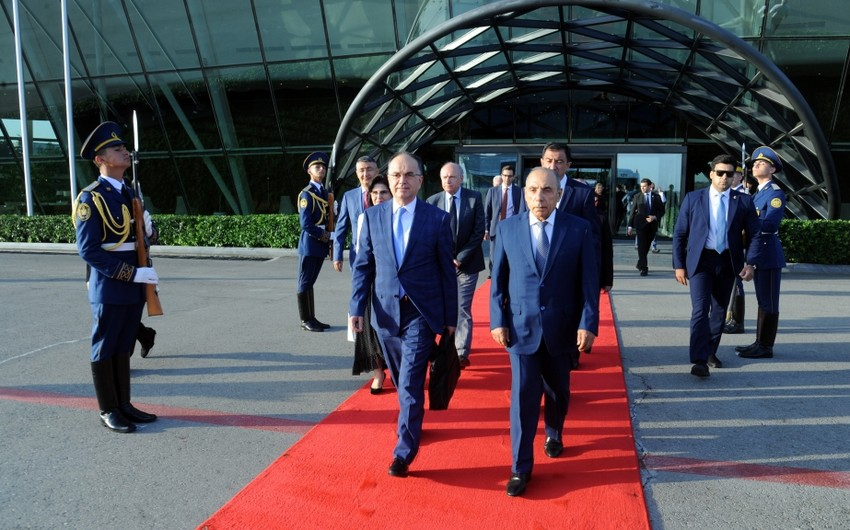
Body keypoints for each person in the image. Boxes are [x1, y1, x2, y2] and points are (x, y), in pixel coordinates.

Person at [490, 167, 599, 497]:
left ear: (559, 194)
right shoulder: (507, 228)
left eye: (548, 190)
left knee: (558, 391)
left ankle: (554, 431)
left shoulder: (578, 229)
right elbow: (498, 281)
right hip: (520, 328)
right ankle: (520, 467)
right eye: (534, 190)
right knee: (523, 397)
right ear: (524, 193)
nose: (540, 197)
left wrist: (587, 323)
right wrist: (497, 320)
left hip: (562, 328)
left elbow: (589, 283)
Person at [349, 151, 458, 478]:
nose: (402, 181)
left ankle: (404, 451)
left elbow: (446, 273)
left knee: (410, 382)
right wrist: (356, 307)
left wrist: (450, 319)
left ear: (420, 181)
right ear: (387, 178)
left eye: (409, 175)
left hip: (419, 313)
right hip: (384, 313)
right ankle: (413, 418)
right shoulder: (372, 217)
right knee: (401, 381)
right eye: (396, 175)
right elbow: (363, 266)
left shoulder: (437, 219)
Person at [73, 121, 159, 433]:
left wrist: (150, 230)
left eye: (124, 147)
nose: (124, 151)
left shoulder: (130, 192)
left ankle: (124, 404)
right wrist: (132, 273)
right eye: (116, 148)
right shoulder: (91, 198)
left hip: (135, 284)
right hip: (111, 284)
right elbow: (89, 250)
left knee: (123, 345)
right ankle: (108, 409)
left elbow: (142, 239)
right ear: (100, 159)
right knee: (105, 346)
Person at [673, 154, 760, 377]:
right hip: (701, 261)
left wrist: (750, 263)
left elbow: (754, 235)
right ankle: (699, 360)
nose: (724, 177)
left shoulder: (744, 201)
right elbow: (680, 234)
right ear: (711, 174)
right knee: (700, 309)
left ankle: (710, 351)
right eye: (720, 173)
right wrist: (679, 265)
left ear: (734, 177)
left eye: (729, 174)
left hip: (727, 262)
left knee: (719, 311)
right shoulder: (694, 198)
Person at [540, 142, 604, 367]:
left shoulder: (582, 193)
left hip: (571, 264)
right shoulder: (531, 189)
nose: (553, 165)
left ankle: (571, 353)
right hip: (540, 262)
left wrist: (592, 269)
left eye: (559, 161)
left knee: (570, 308)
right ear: (541, 162)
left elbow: (594, 235)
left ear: (568, 165)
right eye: (549, 160)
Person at [427, 162, 485, 368]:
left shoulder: (474, 198)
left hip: (467, 264)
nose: (448, 180)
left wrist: (460, 257)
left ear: (461, 179)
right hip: (441, 265)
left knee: (462, 307)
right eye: (444, 177)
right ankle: (441, 347)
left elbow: (479, 231)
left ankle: (461, 352)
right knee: (440, 306)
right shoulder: (432, 201)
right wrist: (445, 258)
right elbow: (430, 235)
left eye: (452, 177)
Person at [736, 146, 787, 359]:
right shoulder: (757, 194)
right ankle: (759, 342)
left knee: (769, 301)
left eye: (762, 163)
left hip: (768, 253)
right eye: (755, 163)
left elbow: (769, 224)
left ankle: (766, 346)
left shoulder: (775, 193)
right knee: (762, 299)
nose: (756, 165)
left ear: (772, 169)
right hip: (757, 251)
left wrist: (746, 227)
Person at [351, 177, 391, 394]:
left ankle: (399, 369)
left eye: (383, 192)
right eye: (374, 193)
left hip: (393, 283)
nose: (378, 197)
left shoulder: (401, 217)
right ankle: (378, 373)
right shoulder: (365, 218)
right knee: (369, 330)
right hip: (370, 282)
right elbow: (361, 255)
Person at [296, 151, 332, 332]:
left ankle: (312, 317)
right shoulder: (307, 194)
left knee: (310, 281)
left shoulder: (324, 192)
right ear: (309, 171)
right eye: (317, 167)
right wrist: (326, 236)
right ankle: (305, 320)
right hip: (310, 244)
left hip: (318, 245)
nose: (321, 169)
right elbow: (306, 224)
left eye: (323, 166)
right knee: (304, 281)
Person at [333, 155, 379, 273]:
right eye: (361, 170)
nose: (365, 174)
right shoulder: (349, 196)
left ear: (377, 171)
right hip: (357, 255)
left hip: (382, 254)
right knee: (359, 285)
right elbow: (341, 227)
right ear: (357, 173)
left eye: (369, 169)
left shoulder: (388, 194)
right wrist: (337, 255)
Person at [724, 163, 749, 334]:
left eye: (733, 174)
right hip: (725, 245)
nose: (730, 177)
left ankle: (737, 320)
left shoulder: (744, 195)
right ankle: (727, 317)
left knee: (736, 283)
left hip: (737, 244)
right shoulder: (726, 194)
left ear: (740, 177)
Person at [484, 165, 521, 274]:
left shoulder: (519, 191)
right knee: (494, 256)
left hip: (512, 229)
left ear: (513, 177)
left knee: (511, 256)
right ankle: (494, 276)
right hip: (496, 229)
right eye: (504, 175)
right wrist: (486, 229)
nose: (507, 178)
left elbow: (521, 211)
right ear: (501, 175)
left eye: (509, 176)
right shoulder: (492, 191)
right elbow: (487, 212)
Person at [628, 178, 665, 276]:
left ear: (649, 186)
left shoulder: (656, 197)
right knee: (641, 246)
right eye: (641, 186)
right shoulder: (637, 196)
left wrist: (655, 217)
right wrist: (630, 226)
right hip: (640, 225)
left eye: (644, 186)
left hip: (652, 225)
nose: (642, 188)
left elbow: (662, 211)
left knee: (646, 246)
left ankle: (640, 263)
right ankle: (644, 268)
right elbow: (632, 212)